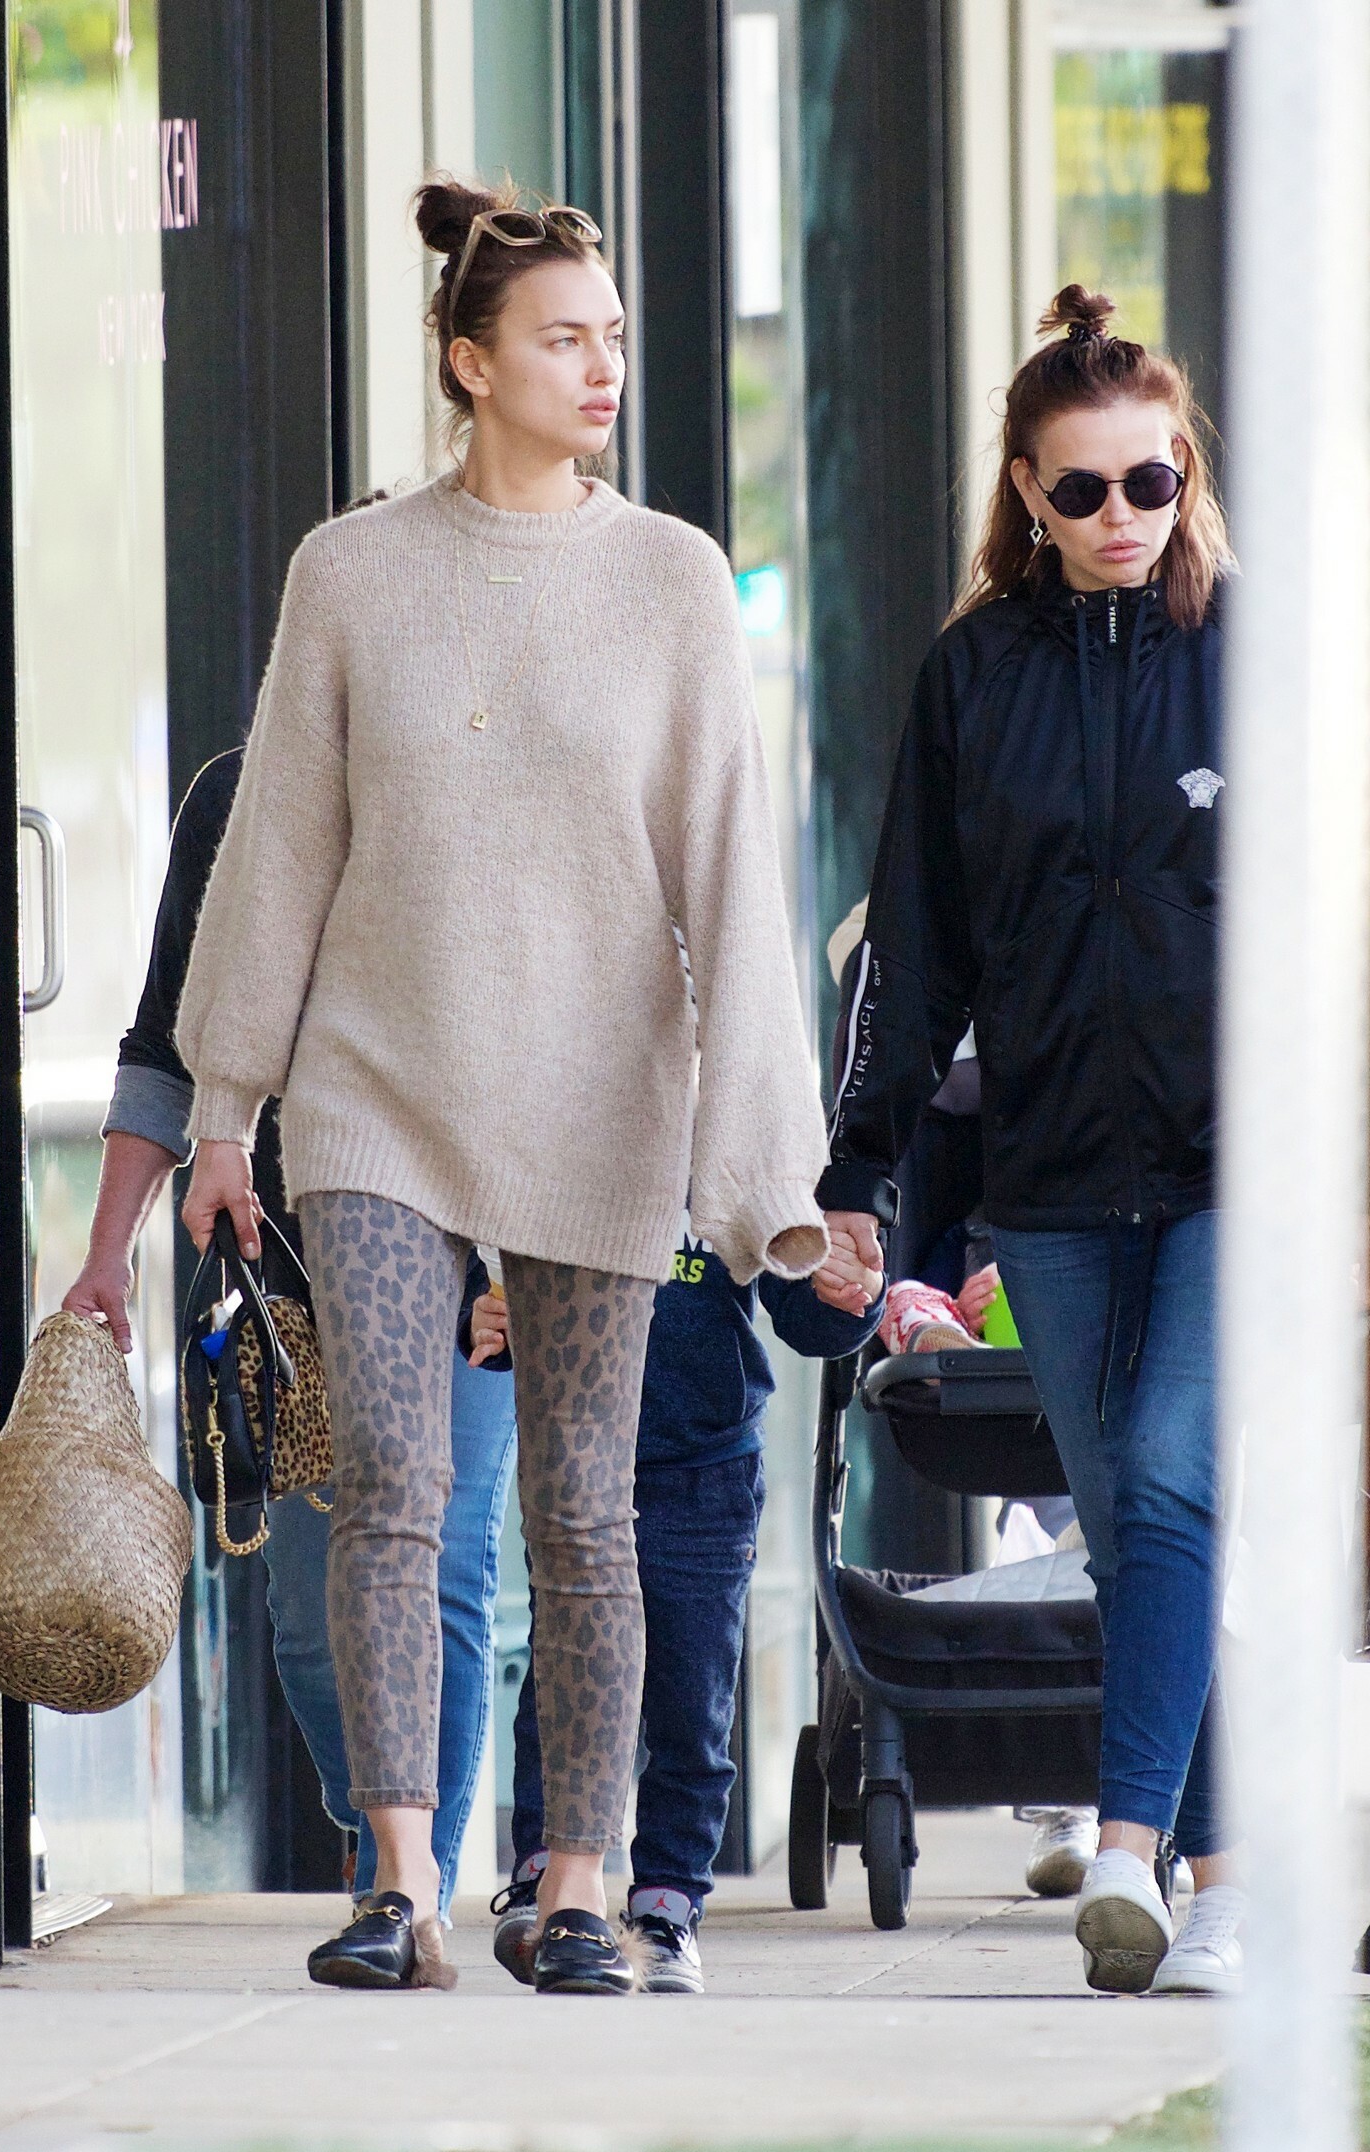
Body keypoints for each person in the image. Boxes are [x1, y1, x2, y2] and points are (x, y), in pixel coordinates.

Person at [173, 176, 854, 1994]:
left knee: (580, 1507)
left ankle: (576, 1887)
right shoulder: (351, 574)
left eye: (613, 336)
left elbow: (732, 876)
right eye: (564, 339)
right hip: (377, 1092)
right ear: (472, 363)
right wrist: (226, 1105)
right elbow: (279, 850)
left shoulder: (672, 580)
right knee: (392, 1478)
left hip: (599, 1099)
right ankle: (400, 1880)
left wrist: (763, 1170)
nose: (603, 366)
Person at [817, 286, 1241, 1996]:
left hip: (1234, 1164)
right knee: (1132, 1523)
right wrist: (860, 1168)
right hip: (1051, 1173)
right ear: (1026, 493)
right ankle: (1224, 1883)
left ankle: (1130, 1845)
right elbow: (912, 950)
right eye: (1083, 490)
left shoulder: (1255, 655)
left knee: (1174, 1475)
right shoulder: (971, 677)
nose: (1123, 515)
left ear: (1185, 469)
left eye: (1152, 481)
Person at [62, 745, 518, 1921]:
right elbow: (165, 1048)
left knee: (442, 1570)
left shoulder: (485, 778)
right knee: (312, 1624)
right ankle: (378, 1816)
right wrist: (108, 1255)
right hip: (289, 1287)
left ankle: (405, 1884)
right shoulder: (235, 797)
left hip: (468, 1264)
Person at [478, 1204, 882, 1992]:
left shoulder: (727, 1158)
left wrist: (849, 1294)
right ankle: (544, 1876)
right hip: (576, 1452)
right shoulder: (563, 1144)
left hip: (706, 1467)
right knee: (564, 1679)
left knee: (692, 1702)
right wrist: (483, 1312)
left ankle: (667, 1905)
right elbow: (499, 1274)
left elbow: (805, 1308)